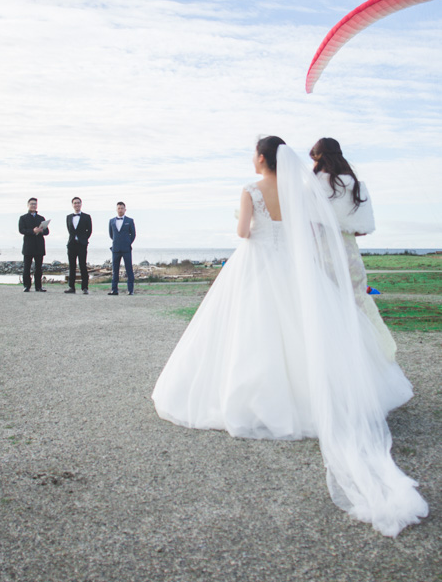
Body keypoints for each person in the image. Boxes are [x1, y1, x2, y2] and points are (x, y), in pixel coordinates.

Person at [152, 136, 428, 537]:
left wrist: (242, 219)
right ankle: (311, 396)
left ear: (262, 158)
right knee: (302, 331)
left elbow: (244, 232)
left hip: (257, 261)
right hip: (291, 265)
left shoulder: (250, 189)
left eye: (253, 152)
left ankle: (260, 397)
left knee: (250, 329)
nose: (252, 157)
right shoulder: (295, 192)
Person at [310, 137, 397, 361]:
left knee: (327, 308)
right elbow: (362, 229)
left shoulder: (315, 184)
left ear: (318, 158)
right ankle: (373, 356)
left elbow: (307, 224)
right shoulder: (356, 185)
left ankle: (335, 361)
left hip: (322, 253)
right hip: (350, 255)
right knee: (358, 304)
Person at [18, 197, 49, 292]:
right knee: (27, 267)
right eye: (31, 204)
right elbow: (21, 230)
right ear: (28, 205)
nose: (33, 206)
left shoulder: (41, 218)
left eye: (35, 204)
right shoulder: (23, 218)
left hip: (39, 245)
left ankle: (38, 286)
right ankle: (26, 286)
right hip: (28, 246)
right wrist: (33, 231)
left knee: (39, 268)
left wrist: (41, 230)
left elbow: (47, 231)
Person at [65, 197, 92, 294]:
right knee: (71, 266)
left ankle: (85, 287)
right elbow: (69, 230)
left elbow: (89, 231)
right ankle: (71, 287)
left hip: (82, 244)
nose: (77, 205)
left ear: (81, 204)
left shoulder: (86, 216)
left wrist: (83, 239)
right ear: (72, 205)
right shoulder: (68, 217)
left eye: (78, 203)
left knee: (82, 266)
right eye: (75, 203)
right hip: (72, 244)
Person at [109, 202, 136, 295]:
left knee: (129, 269)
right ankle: (114, 290)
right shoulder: (111, 221)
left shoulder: (130, 220)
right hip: (115, 249)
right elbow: (111, 235)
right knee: (115, 270)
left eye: (122, 208)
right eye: (119, 208)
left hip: (126, 249)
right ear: (116, 209)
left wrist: (127, 243)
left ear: (125, 209)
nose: (120, 210)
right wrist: (117, 242)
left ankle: (130, 290)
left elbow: (133, 234)